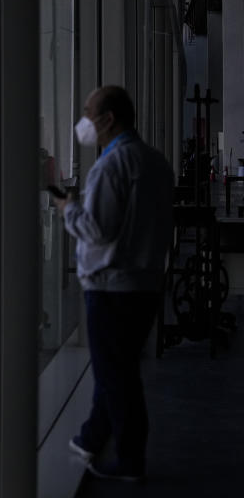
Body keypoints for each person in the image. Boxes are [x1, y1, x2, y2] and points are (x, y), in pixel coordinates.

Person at [55, 86, 174, 482]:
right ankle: (91, 438)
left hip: (111, 289)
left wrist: (67, 208)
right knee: (117, 370)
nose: (83, 120)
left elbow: (97, 229)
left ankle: (129, 460)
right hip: (145, 284)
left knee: (116, 377)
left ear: (107, 119)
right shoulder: (155, 161)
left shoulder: (111, 165)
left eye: (88, 112)